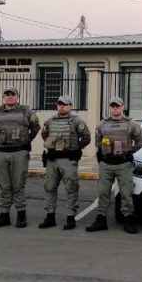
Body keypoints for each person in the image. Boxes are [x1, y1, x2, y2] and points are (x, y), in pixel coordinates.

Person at [86, 97, 142, 234]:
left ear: (123, 107)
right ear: (110, 108)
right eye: (112, 106)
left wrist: (130, 152)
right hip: (106, 164)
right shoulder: (102, 125)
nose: (115, 109)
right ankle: (101, 220)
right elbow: (97, 143)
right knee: (103, 192)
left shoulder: (132, 124)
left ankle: (128, 220)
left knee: (126, 194)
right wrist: (104, 154)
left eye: (117, 106)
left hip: (124, 164)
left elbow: (140, 142)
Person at [0, 87, 40, 229]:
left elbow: (36, 127)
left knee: (18, 185)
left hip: (19, 152)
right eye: (7, 95)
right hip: (0, 152)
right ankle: (4, 215)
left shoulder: (26, 112)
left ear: (18, 97)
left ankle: (21, 215)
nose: (10, 97)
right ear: (3, 97)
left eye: (13, 95)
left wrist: (27, 140)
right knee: (4, 185)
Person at [39, 95, 91, 230]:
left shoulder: (76, 121)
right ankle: (50, 216)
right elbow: (44, 135)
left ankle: (70, 217)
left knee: (71, 189)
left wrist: (76, 149)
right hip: (52, 160)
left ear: (70, 106)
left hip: (68, 160)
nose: (62, 106)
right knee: (49, 188)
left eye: (65, 104)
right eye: (60, 104)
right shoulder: (50, 121)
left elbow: (86, 137)